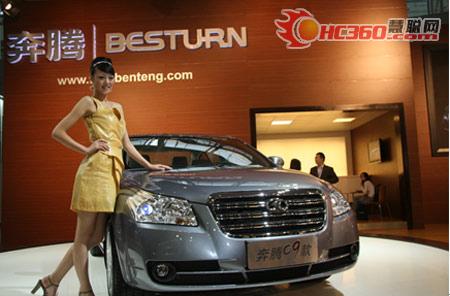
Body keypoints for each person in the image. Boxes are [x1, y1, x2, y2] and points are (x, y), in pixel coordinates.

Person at [31, 57, 171, 296]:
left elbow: (125, 143)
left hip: (113, 174)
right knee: (83, 236)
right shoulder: (88, 102)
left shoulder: (118, 107)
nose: (106, 82)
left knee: (95, 237)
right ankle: (85, 290)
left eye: (110, 77)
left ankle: (51, 281)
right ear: (92, 80)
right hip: (94, 173)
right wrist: (86, 149)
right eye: (101, 77)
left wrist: (148, 164)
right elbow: (58, 131)